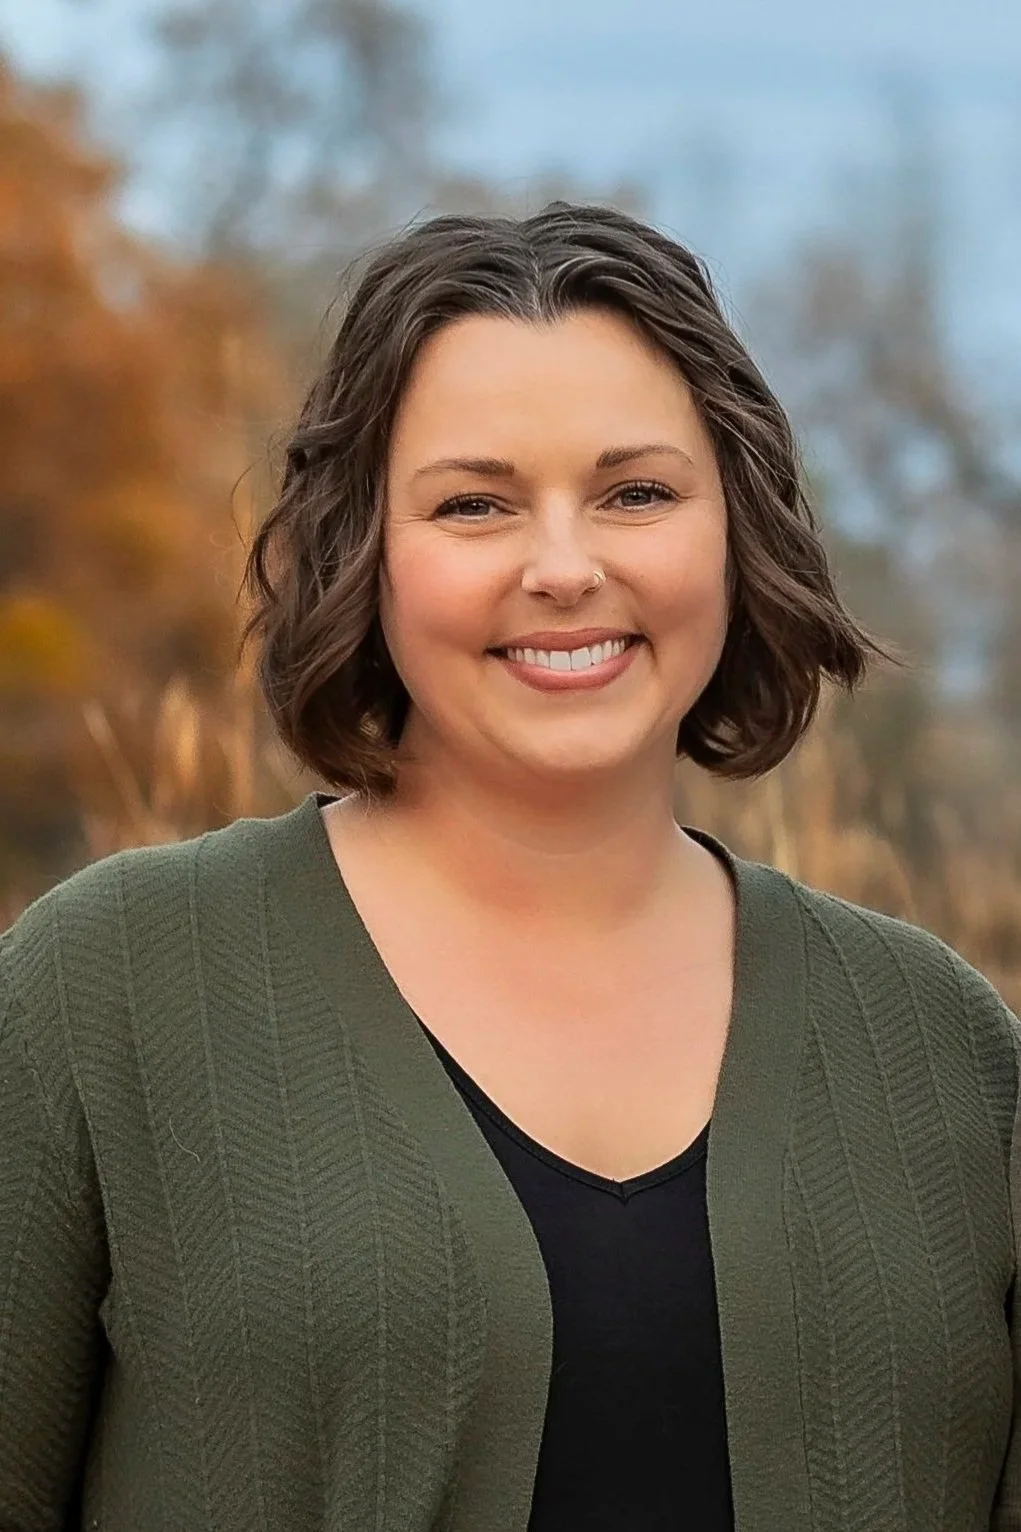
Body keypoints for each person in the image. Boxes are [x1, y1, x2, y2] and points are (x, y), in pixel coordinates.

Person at [1, 201, 1019, 1532]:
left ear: (737, 529)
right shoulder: (109, 993)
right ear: (364, 550)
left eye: (635, 492)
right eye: (473, 503)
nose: (563, 566)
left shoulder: (939, 1047)